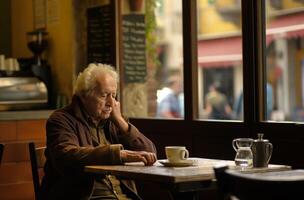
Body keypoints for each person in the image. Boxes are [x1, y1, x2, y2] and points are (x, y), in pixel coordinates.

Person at [41, 63, 157, 200]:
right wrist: (119, 154)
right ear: (84, 95)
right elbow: (66, 157)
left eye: (113, 95)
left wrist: (120, 121)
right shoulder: (61, 119)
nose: (111, 103)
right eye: (104, 95)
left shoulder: (114, 121)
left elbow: (150, 152)